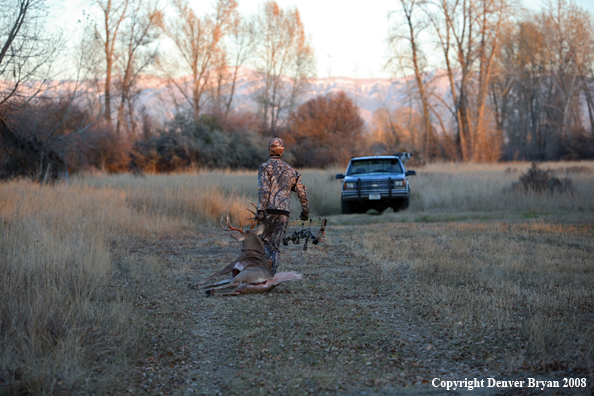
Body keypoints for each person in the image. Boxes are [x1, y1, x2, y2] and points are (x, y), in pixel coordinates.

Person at [256, 137, 309, 274]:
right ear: (282, 150)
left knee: (263, 242)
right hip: (284, 212)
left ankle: (265, 270)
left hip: (268, 211)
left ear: (269, 150)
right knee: (275, 246)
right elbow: (302, 191)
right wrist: (305, 211)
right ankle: (272, 274)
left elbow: (264, 190)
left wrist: (260, 210)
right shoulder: (290, 170)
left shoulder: (264, 167)